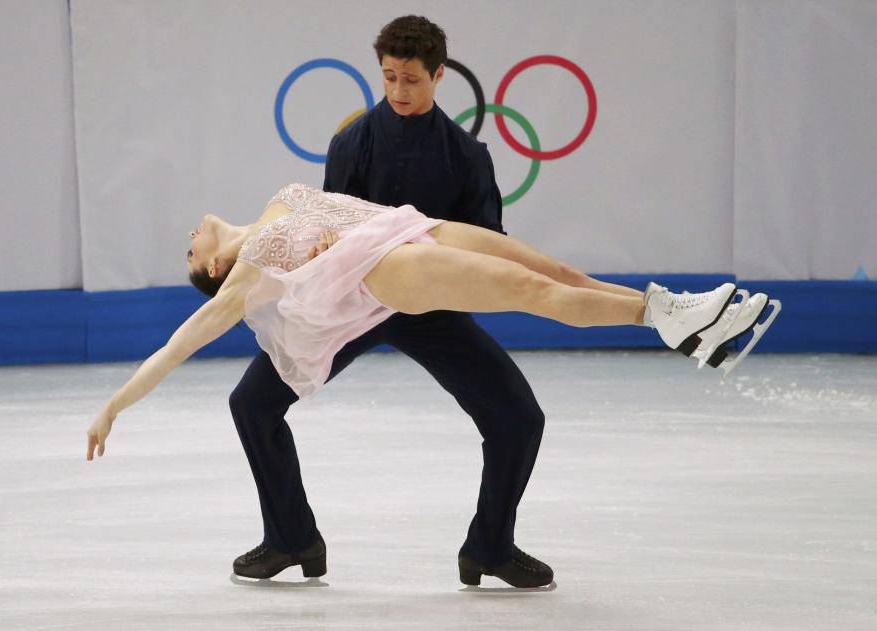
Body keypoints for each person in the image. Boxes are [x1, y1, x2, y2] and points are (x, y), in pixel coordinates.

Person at [86, 182, 757, 586]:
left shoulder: (272, 202)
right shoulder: (243, 275)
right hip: (382, 265)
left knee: (549, 265)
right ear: (209, 267)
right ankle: (666, 319)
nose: (189, 238)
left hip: (406, 223)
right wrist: (114, 406)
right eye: (188, 254)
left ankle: (678, 314)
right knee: (528, 290)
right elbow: (180, 344)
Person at [230, 15, 558, 589]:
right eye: (389, 78)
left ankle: (490, 547)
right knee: (251, 404)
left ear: (438, 76)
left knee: (520, 420)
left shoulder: (467, 157)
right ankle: (290, 537)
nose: (400, 92)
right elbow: (325, 236)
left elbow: (487, 249)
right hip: (351, 309)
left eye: (412, 80)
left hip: (433, 315)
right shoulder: (351, 144)